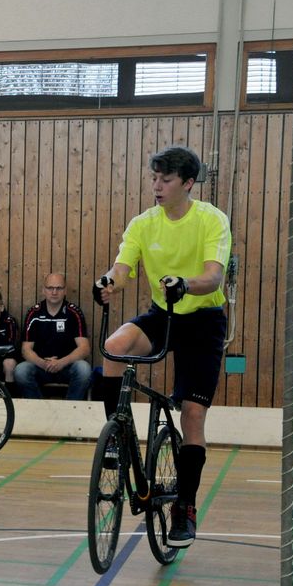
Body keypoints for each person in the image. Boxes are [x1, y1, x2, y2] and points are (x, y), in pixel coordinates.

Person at [93, 145, 231, 548]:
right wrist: (108, 283)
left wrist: (185, 283)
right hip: (163, 314)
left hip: (203, 321)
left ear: (188, 184)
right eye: (153, 178)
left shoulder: (210, 220)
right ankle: (118, 437)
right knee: (114, 346)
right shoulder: (143, 223)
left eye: (165, 180)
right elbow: (122, 269)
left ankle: (184, 507)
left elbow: (213, 277)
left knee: (192, 414)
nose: (156, 186)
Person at [14, 273, 92, 400]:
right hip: (41, 367)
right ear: (43, 290)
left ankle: (70, 409)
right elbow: (26, 350)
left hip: (67, 366)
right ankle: (39, 409)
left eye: (59, 288)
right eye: (50, 288)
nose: (54, 292)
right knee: (21, 371)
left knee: (84, 369)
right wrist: (44, 364)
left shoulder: (74, 313)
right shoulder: (34, 313)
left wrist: (61, 363)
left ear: (65, 290)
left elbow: (84, 348)